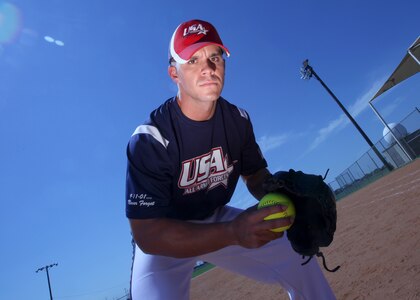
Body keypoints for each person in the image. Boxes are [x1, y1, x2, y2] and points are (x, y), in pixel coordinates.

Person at [125, 19, 336, 300]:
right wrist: (234, 232)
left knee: (299, 259)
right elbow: (147, 234)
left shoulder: (237, 121)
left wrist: (280, 190)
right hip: (167, 237)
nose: (208, 68)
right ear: (174, 74)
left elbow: (255, 175)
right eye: (193, 60)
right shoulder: (151, 138)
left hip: (217, 219)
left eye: (215, 57)